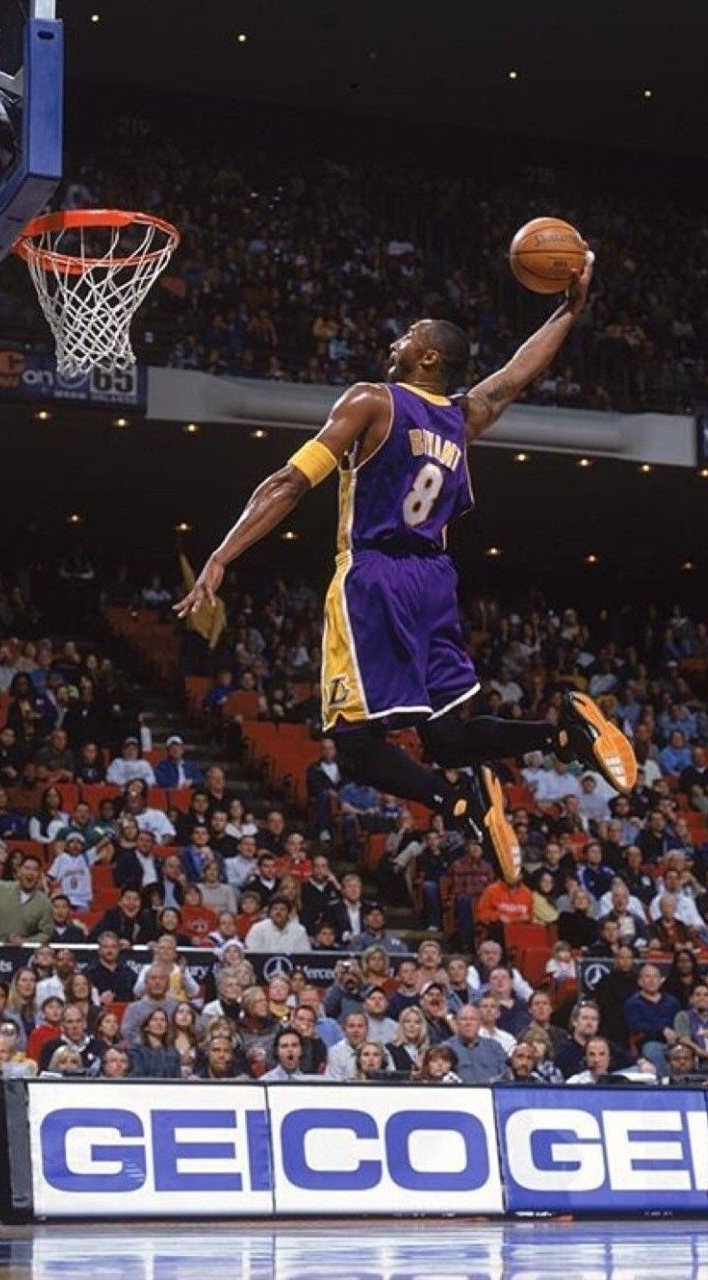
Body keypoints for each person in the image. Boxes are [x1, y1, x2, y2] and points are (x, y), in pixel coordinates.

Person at [176, 262, 637, 891]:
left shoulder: (371, 399)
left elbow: (289, 482)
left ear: (425, 357)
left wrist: (223, 555)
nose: (393, 342)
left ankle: (464, 802)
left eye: (406, 336)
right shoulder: (461, 417)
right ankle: (562, 734)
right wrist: (569, 312)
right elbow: (515, 376)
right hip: (436, 581)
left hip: (375, 576)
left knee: (356, 746)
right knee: (446, 739)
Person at [0, 854, 53, 943]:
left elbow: (46, 933)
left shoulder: (45, 903)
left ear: (39, 875)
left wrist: (26, 941)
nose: (30, 873)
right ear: (18, 871)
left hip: (23, 952)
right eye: (27, 868)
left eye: (35, 870)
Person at [442, 1004, 508, 1083]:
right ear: (457, 1023)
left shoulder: (495, 1047)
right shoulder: (446, 1048)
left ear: (479, 1024)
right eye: (464, 1019)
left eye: (473, 1019)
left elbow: (505, 1076)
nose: (468, 1023)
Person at [244, 894, 311, 952]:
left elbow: (304, 955)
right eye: (275, 909)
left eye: (282, 909)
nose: (278, 912)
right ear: (269, 912)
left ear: (289, 913)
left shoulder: (299, 931)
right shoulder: (257, 929)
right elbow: (253, 954)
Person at [129, 1008, 182, 1079]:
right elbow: (137, 1077)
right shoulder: (136, 1050)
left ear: (166, 1027)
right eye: (154, 1019)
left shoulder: (173, 1053)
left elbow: (177, 1079)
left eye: (162, 1020)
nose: (159, 1023)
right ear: (146, 1027)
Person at [326, 1010, 369, 1081]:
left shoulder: (379, 1048)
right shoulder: (335, 1051)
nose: (356, 1030)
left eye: (360, 1026)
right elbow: (334, 1083)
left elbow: (390, 1076)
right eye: (351, 1026)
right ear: (344, 1029)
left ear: (367, 1029)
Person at [386, 1006, 430, 1075]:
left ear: (422, 1026)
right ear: (401, 1025)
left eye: (417, 1022)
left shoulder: (429, 1051)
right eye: (407, 1021)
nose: (412, 1025)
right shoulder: (389, 1049)